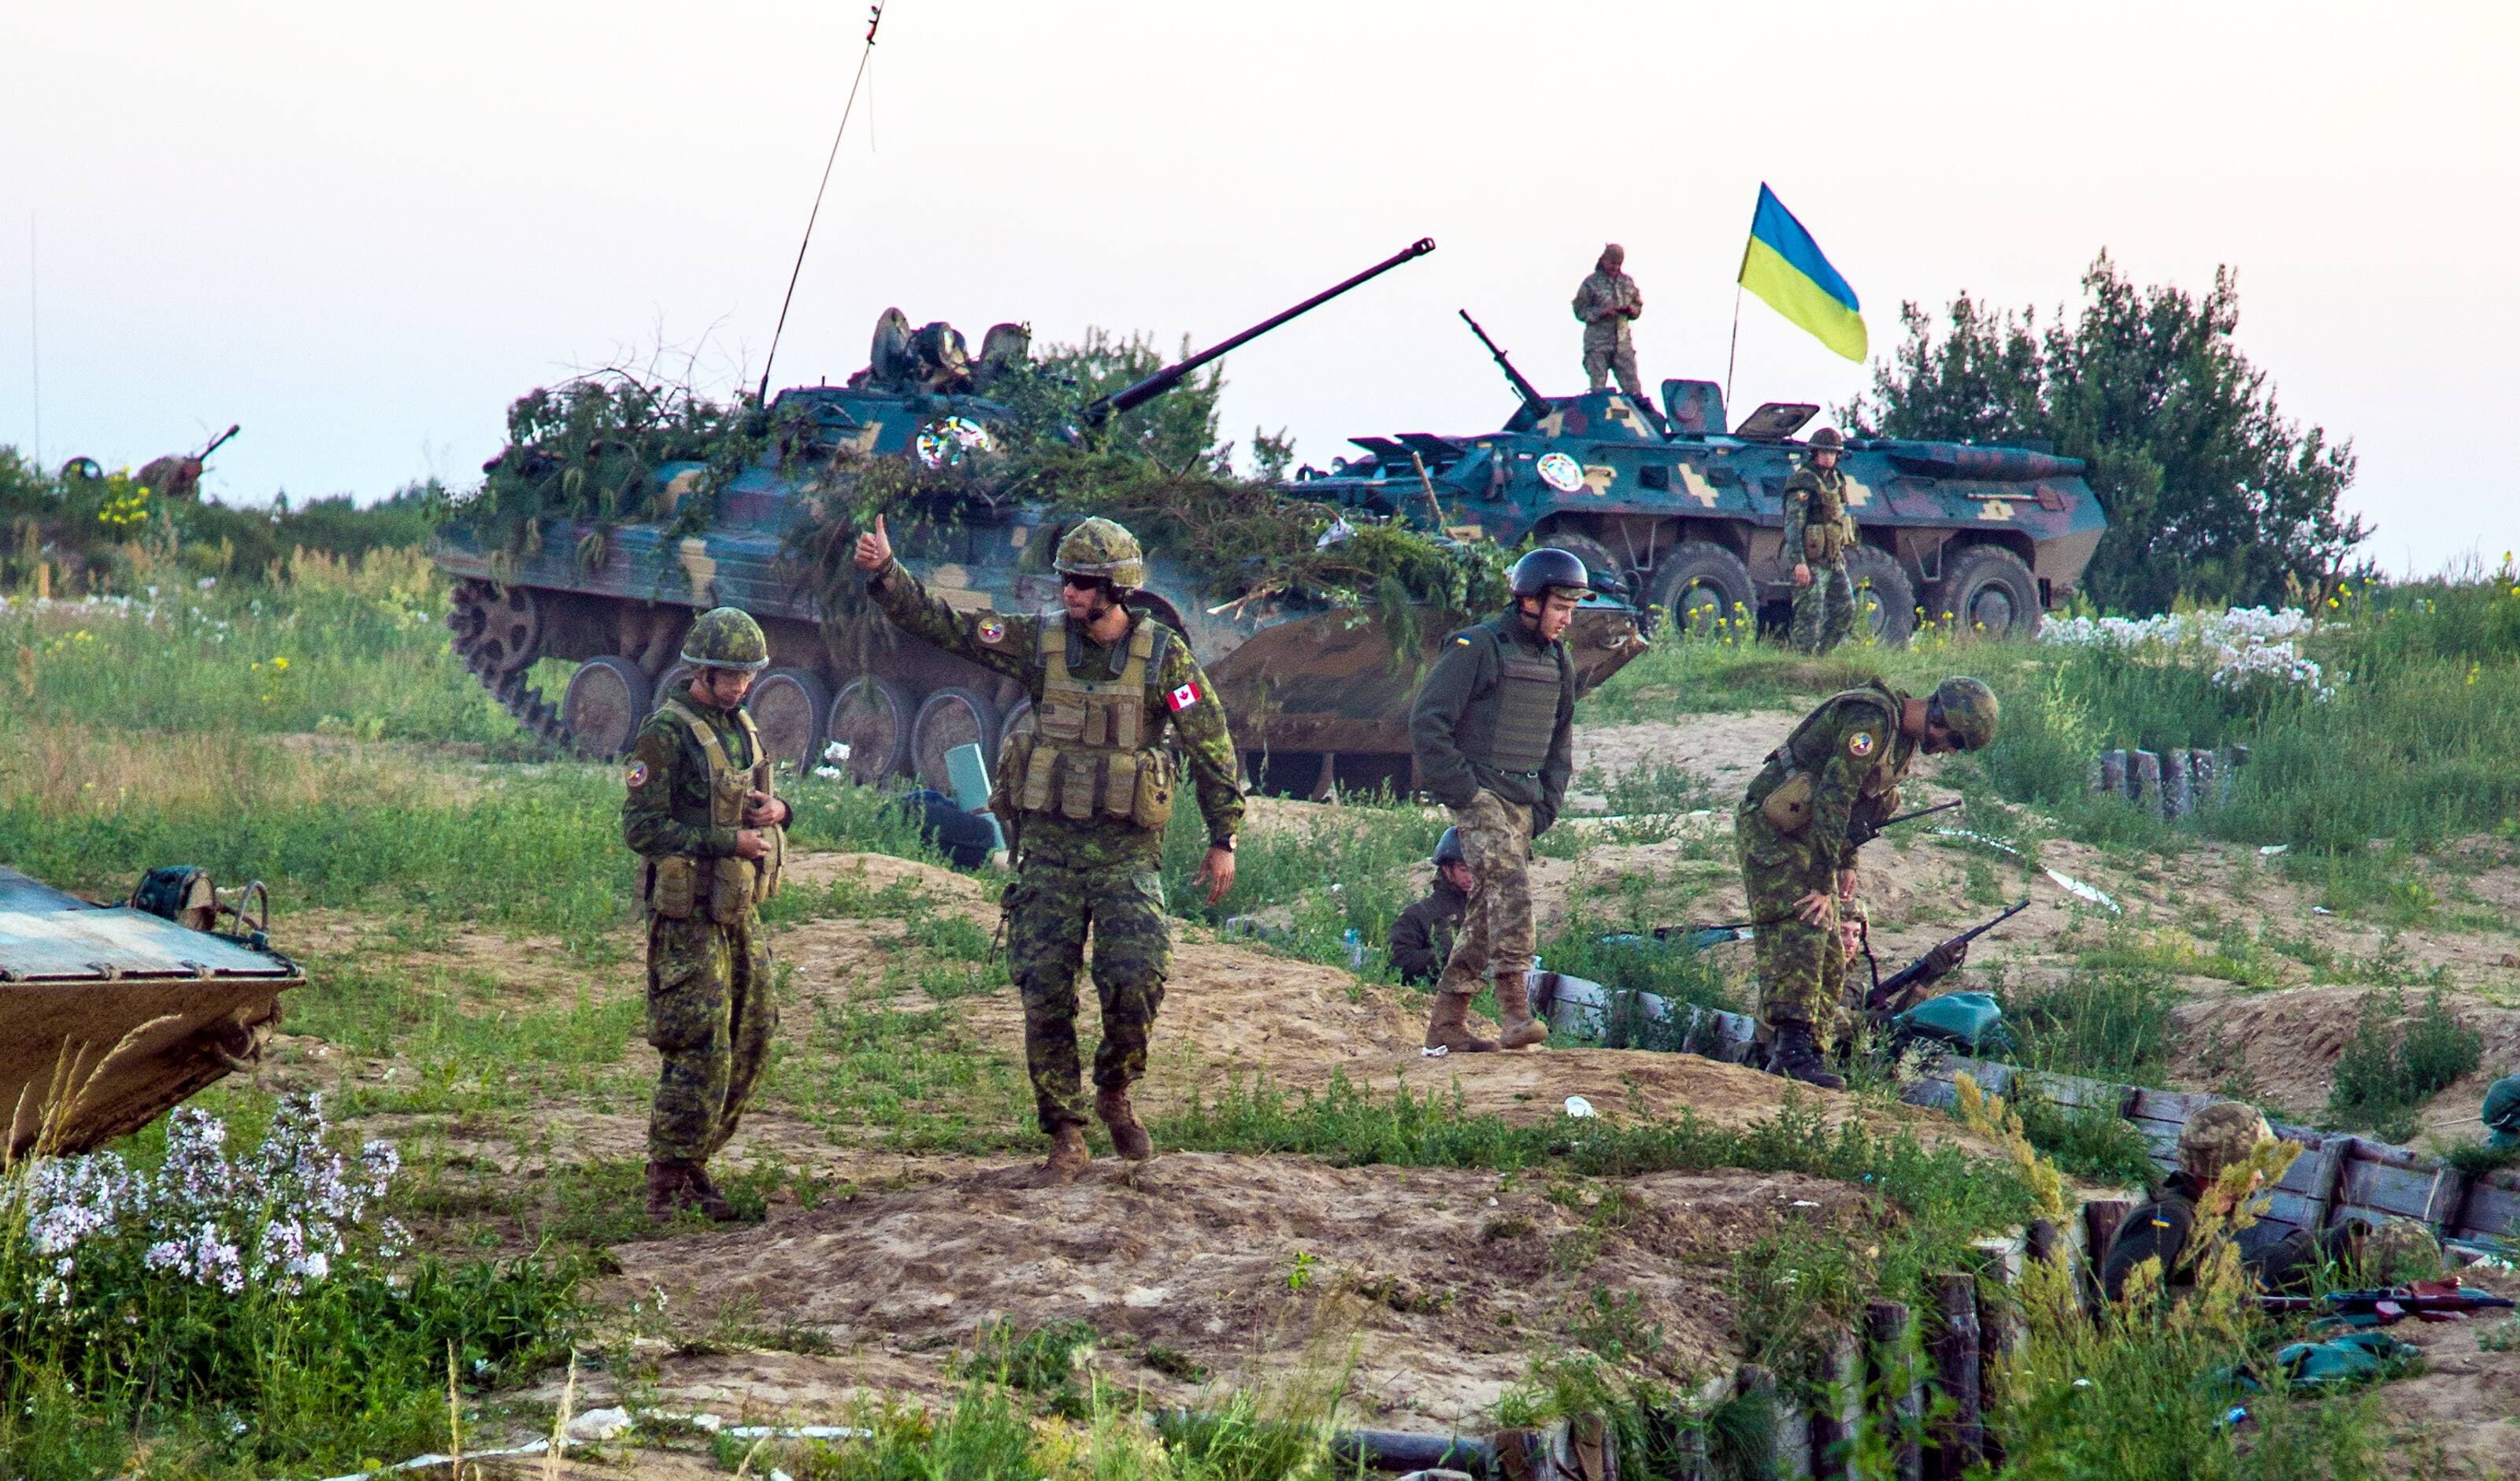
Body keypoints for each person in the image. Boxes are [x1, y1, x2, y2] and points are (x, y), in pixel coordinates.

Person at [853, 513, 1243, 1183]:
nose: (1069, 592)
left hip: (1125, 856)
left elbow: (1210, 743)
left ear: (1116, 589)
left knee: (1136, 978)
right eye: (1066, 579)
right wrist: (888, 574)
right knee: (1044, 989)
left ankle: (1115, 1087)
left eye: (1083, 583)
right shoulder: (1039, 643)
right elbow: (948, 627)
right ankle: (1065, 1130)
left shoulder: (1166, 658)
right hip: (1050, 853)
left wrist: (1222, 836)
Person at [1736, 676, 1999, 1087]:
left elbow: (1859, 807)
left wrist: (1847, 862)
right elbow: (1834, 795)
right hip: (1773, 830)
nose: (1949, 750)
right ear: (1940, 717)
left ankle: (1812, 1051)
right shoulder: (1871, 720)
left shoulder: (1900, 744)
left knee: (1831, 951)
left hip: (1809, 837)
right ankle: (1789, 1052)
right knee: (1802, 925)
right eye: (1954, 741)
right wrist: (1821, 883)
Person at [621, 606, 792, 1222]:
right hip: (687, 911)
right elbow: (641, 827)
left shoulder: (739, 726)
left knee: (755, 1028)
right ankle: (668, 1179)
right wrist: (725, 842)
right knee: (698, 1040)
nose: (741, 685)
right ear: (702, 670)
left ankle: (695, 1160)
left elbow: (746, 799)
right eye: (731, 675)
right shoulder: (665, 733)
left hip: (735, 905)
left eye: (749, 674)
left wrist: (777, 812)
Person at [1409, 548, 1588, 1053]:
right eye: (1560, 608)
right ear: (1529, 601)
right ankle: (1515, 1013)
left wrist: (1546, 805)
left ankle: (1447, 1024)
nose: (1568, 620)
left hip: (1523, 802)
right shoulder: (1477, 646)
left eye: (1573, 609)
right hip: (1480, 794)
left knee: (1487, 911)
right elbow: (1428, 722)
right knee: (1512, 891)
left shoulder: (1558, 659)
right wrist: (1466, 794)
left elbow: (1560, 739)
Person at [1782, 428, 1860, 656]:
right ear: (1814, 453)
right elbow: (1793, 526)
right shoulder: (1804, 482)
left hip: (1833, 559)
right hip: (1810, 560)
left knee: (1845, 609)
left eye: (1832, 453)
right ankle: (1801, 663)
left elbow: (1838, 518)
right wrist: (1799, 563)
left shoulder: (1836, 480)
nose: (1828, 457)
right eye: (1824, 452)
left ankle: (1821, 657)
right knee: (1809, 615)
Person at [1388, 827, 1474, 987]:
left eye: (1477, 869)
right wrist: (1448, 955)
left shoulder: (1491, 911)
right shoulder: (1418, 915)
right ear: (1446, 869)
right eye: (1463, 869)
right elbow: (1397, 962)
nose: (1471, 877)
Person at [1571, 243, 1645, 398]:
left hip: (1622, 344)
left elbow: (1638, 306)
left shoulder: (1627, 282)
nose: (1615, 267)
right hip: (1598, 344)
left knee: (1634, 390)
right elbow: (1579, 310)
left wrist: (1631, 310)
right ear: (1604, 260)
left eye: (1619, 264)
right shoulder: (1591, 283)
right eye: (1612, 263)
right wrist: (1601, 312)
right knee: (1598, 390)